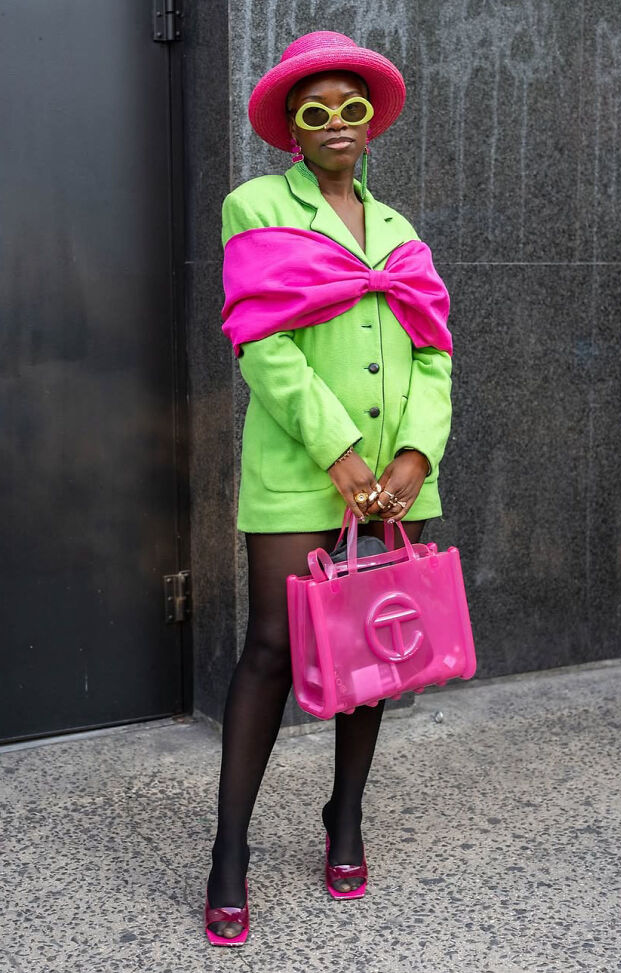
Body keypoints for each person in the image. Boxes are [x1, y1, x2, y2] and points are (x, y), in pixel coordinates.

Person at [205, 31, 453, 946]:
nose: (338, 123)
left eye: (354, 108)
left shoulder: (402, 232)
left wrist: (411, 461)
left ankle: (343, 815)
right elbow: (260, 344)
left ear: (371, 124)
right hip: (300, 471)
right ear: (292, 131)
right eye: (318, 112)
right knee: (270, 649)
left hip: (394, 481)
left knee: (374, 655)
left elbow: (434, 356)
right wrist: (342, 454)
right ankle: (229, 848)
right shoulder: (254, 205)